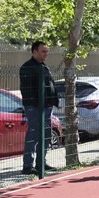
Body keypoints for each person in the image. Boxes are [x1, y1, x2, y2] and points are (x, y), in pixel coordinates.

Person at [19, 41, 59, 175]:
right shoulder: (27, 67)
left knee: (46, 135)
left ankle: (41, 162)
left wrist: (53, 100)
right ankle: (28, 165)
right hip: (35, 108)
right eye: (43, 51)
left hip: (47, 106)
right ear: (34, 51)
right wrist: (37, 105)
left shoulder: (44, 67)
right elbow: (28, 91)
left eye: (47, 51)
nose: (46, 54)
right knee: (33, 134)